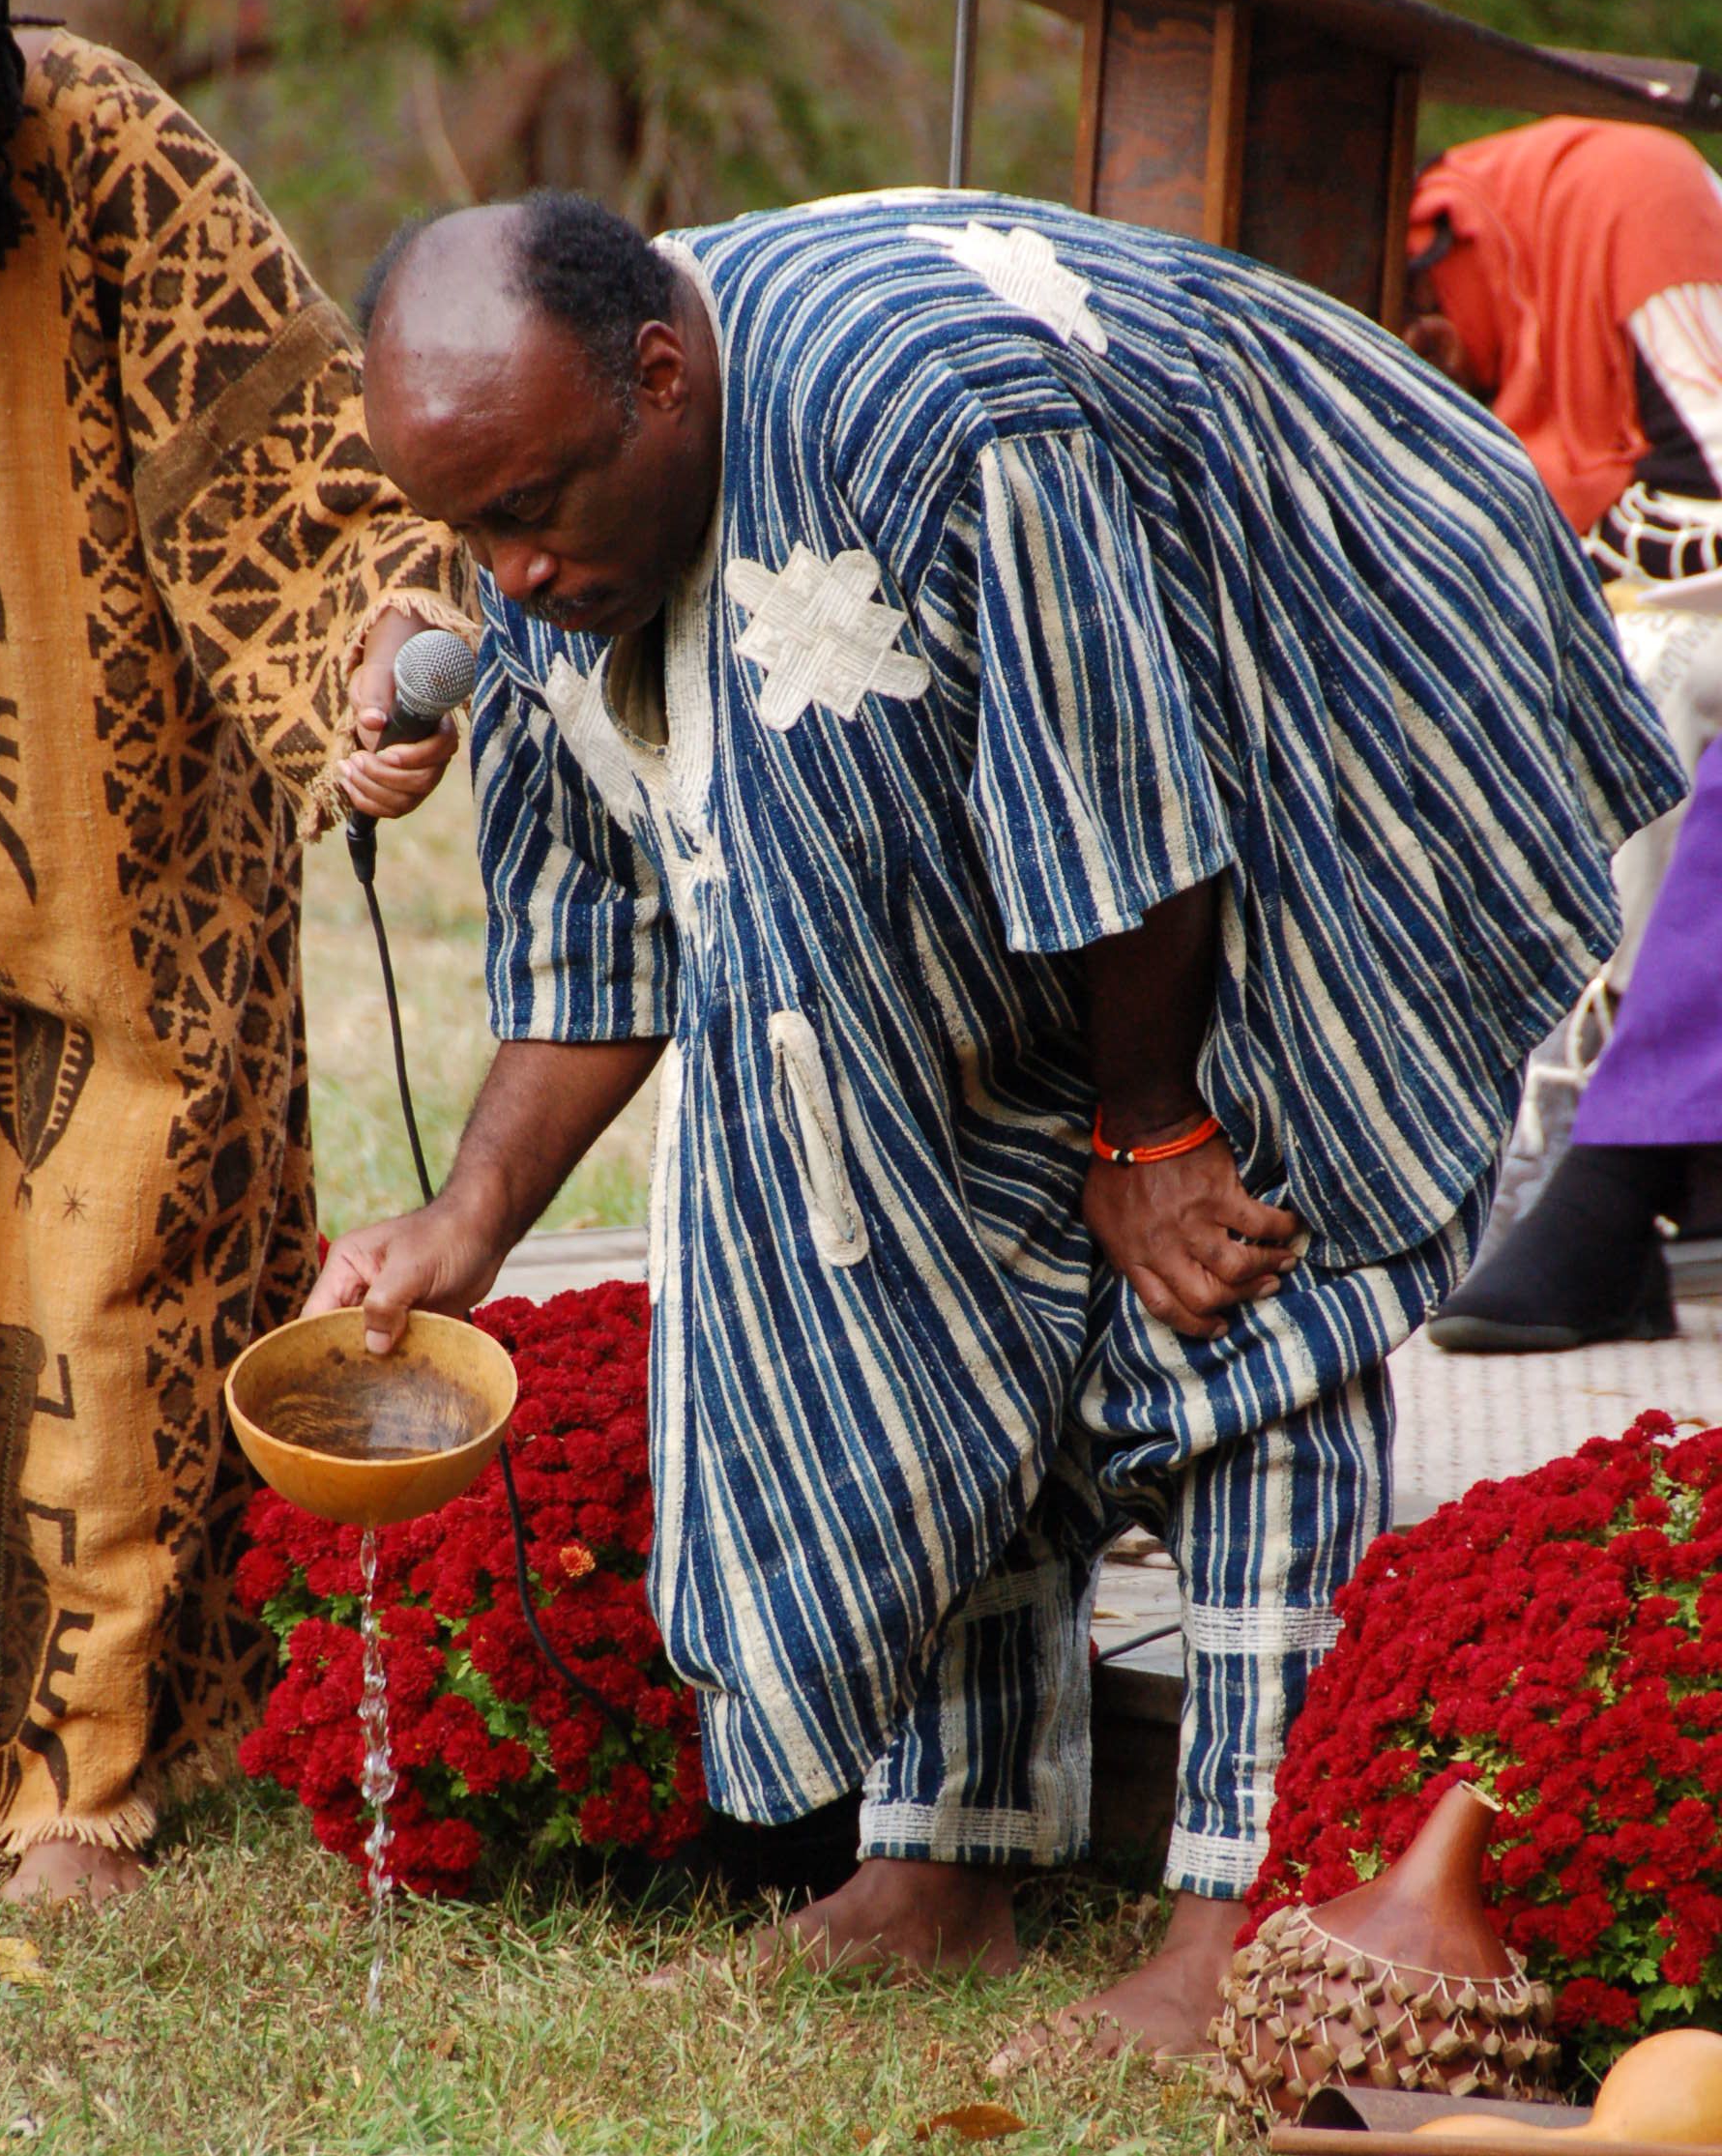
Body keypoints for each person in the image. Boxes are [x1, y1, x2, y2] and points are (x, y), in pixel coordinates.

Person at [309, 188, 1677, 2055]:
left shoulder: (945, 420)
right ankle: (940, 1866)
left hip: (1306, 673)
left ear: (659, 378)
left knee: (1235, 1295)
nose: (508, 576)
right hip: (1096, 805)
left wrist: (1147, 1127)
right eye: (465, 531)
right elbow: (613, 920)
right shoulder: (554, 501)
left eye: (528, 512)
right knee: (937, 1232)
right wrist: (466, 1217)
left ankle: (1238, 1904)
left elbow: (1125, 792)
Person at [0, 0, 474, 1904]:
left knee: (129, 1268)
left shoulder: (104, 161)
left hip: (141, 856)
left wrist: (367, 667)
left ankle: (94, 1777)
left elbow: (287, 474)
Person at [1401, 118, 1722, 1351]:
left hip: (1684, 637)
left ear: (1449, 241)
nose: (1431, 350)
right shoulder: (1519, 296)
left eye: (1422, 313)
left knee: (1640, 674)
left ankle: (1592, 1152)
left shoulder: (1625, 197)